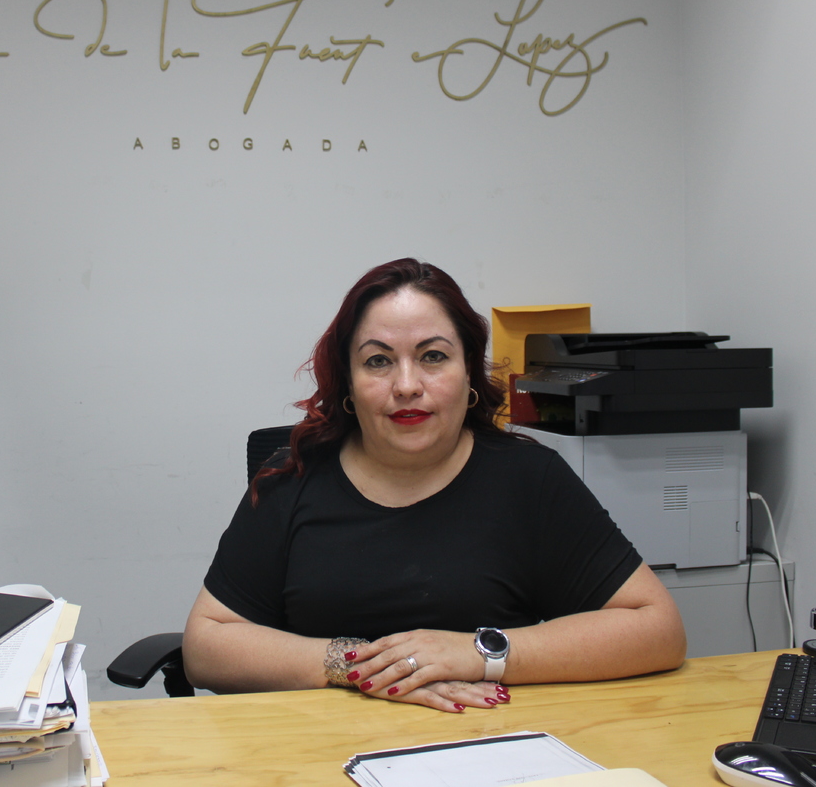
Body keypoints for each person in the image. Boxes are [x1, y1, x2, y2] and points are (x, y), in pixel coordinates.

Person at [182, 258, 687, 712]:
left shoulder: (529, 478)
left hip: (485, 746)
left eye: (433, 356)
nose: (407, 385)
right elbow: (205, 648)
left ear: (468, 372)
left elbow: (658, 629)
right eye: (378, 360)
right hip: (314, 750)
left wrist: (475, 652)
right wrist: (358, 665)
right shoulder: (291, 477)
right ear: (349, 385)